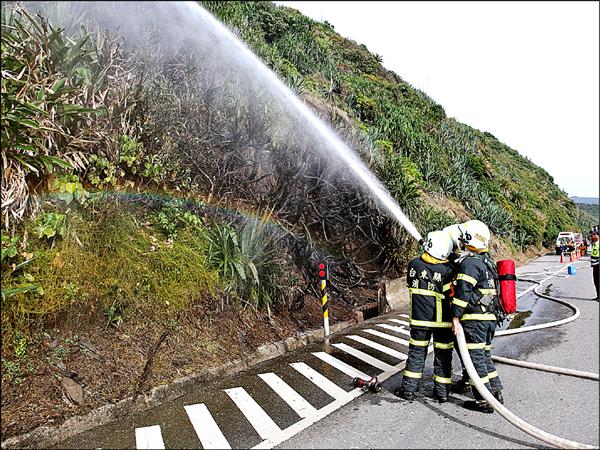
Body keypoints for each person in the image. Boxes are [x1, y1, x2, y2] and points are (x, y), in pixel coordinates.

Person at [394, 230, 455, 403]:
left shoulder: (414, 265)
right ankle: (442, 393)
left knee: (416, 353)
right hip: (442, 322)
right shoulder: (447, 269)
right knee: (443, 356)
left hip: (419, 321)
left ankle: (408, 390)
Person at [451, 219, 503, 413]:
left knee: (475, 360)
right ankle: (496, 392)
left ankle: (484, 401)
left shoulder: (471, 263)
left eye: (463, 236)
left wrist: (455, 317)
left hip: (475, 321)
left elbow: (463, 292)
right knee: (484, 356)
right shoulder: (486, 262)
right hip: (489, 320)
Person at [591, 232, 599, 300]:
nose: (593, 236)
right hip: (594, 265)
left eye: (594, 235)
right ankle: (598, 296)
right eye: (592, 235)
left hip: (598, 265)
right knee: (596, 281)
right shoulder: (594, 243)